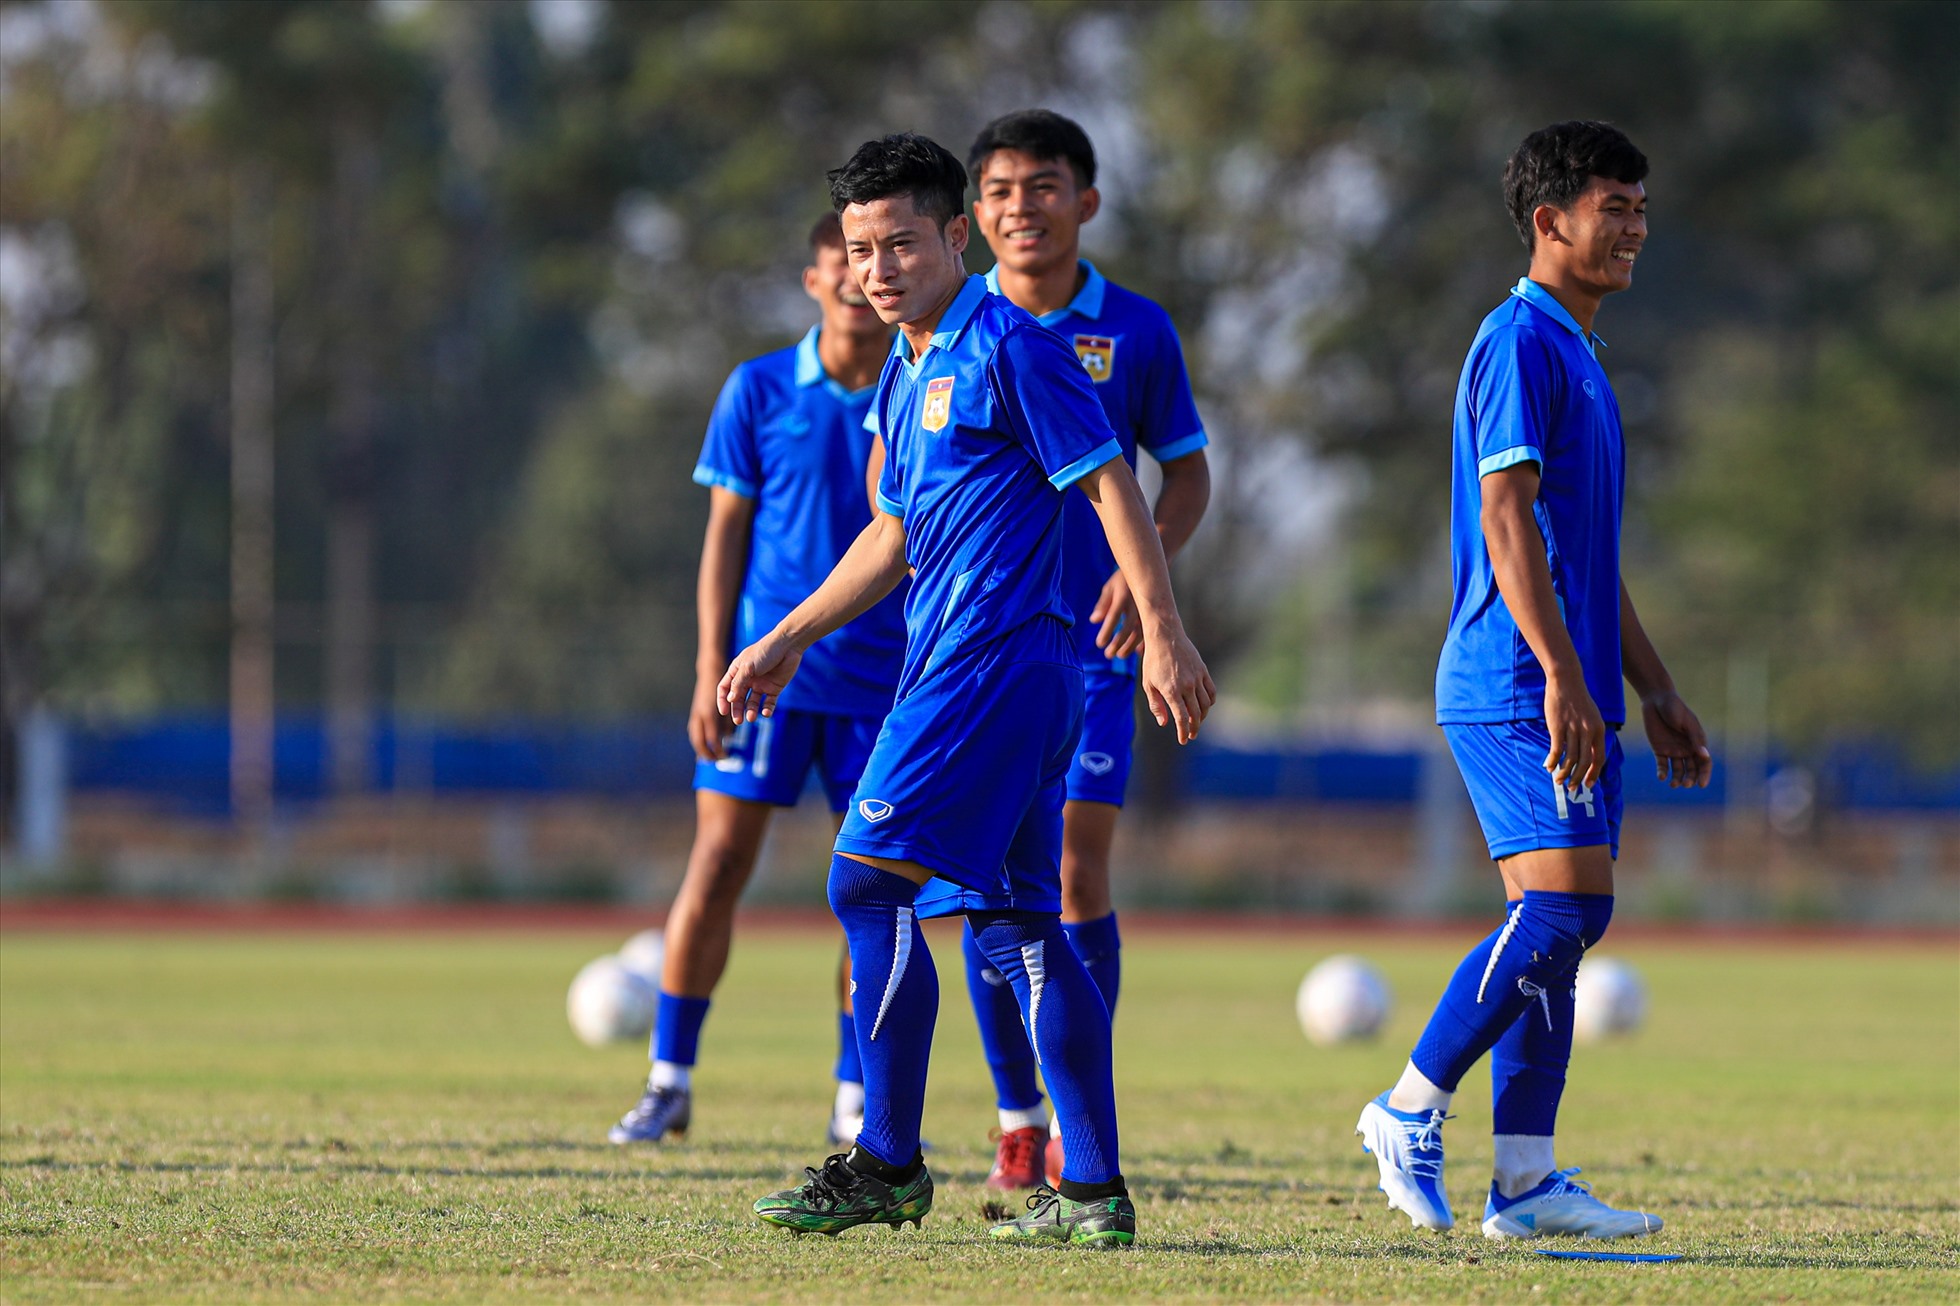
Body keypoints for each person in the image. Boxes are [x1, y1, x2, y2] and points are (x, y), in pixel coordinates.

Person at [723, 133, 1214, 1247]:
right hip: (1001, 673)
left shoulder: (1011, 345)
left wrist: (1165, 629)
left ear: (956, 237)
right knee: (1020, 926)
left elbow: (1113, 486)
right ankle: (1090, 1191)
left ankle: (886, 1160)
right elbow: (892, 533)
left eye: (901, 241)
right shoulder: (906, 368)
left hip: (990, 667)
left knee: (863, 884)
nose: (878, 267)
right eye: (859, 249)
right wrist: (787, 636)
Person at [1357, 120, 1711, 1240]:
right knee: (1565, 909)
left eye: (1642, 210)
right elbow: (1505, 521)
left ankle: (1524, 1179)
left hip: (1566, 682)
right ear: (1550, 221)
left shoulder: (1583, 355)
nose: (1635, 230)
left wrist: (1650, 688)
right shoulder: (1516, 341)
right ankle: (1406, 1104)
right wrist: (1563, 673)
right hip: (1514, 679)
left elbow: (1585, 559)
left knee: (1552, 921)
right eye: (1616, 208)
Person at [954, 109, 1210, 1192]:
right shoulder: (947, 326)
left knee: (1070, 867)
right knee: (971, 882)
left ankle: (1077, 1118)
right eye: (1003, 189)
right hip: (974, 651)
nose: (1023, 205)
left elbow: (1184, 474)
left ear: (1086, 202)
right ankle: (1018, 1113)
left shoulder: (1136, 331)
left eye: (1044, 186)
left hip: (1096, 652)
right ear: (976, 212)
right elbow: (891, 484)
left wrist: (1142, 580)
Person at [608, 214, 903, 1149]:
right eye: (842, 265)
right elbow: (724, 538)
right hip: (764, 679)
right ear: (814, 280)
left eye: (872, 262)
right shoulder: (760, 387)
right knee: (720, 865)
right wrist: (708, 668)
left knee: (872, 890)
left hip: (885, 680)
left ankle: (856, 1096)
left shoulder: (918, 385)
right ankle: (669, 1080)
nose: (859, 282)